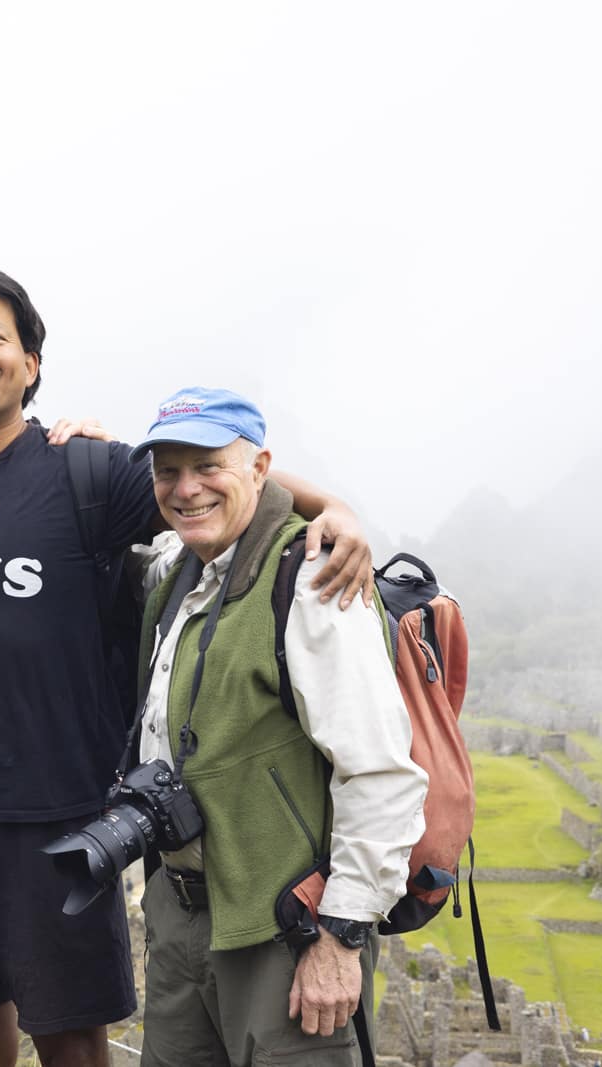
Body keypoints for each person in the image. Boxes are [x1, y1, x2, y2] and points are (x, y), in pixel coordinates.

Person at [0, 270, 376, 1067]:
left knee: (72, 1041)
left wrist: (334, 508)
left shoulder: (87, 473)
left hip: (57, 818)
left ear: (31, 365)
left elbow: (216, 479)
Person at [127, 388, 427, 1066]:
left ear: (260, 468)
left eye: (209, 465)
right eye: (169, 470)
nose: (186, 488)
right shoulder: (181, 571)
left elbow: (379, 771)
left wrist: (341, 937)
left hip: (288, 932)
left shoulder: (314, 578)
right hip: (182, 916)